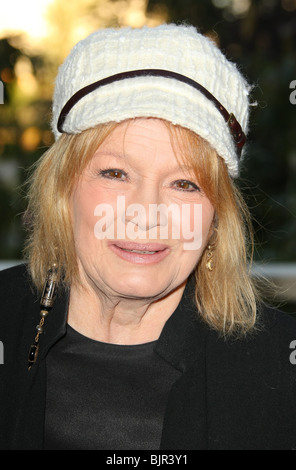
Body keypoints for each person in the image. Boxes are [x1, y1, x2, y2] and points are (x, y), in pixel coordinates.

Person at [0, 23, 296, 451]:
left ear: (215, 218)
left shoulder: (279, 374)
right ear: (62, 191)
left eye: (185, 184)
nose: (147, 215)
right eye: (115, 174)